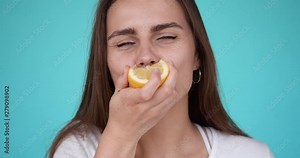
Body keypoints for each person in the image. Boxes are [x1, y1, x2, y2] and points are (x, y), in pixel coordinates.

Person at [48, 0, 274, 157]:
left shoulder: (252, 154)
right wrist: (120, 136)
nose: (146, 57)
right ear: (105, 62)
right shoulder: (79, 148)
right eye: (125, 43)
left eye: (166, 37)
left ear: (197, 56)